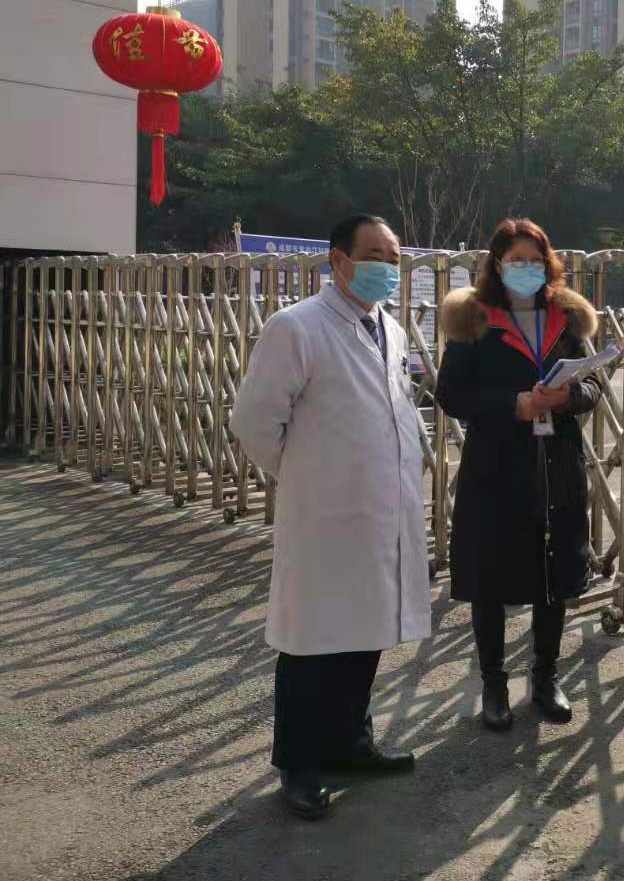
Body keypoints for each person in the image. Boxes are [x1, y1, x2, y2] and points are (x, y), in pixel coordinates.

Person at [231, 214, 431, 820]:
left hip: (382, 510)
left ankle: (350, 743)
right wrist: (307, 477)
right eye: (373, 256)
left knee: (365, 631)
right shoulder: (296, 327)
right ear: (338, 261)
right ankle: (300, 763)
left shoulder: (390, 327)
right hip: (323, 515)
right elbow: (254, 422)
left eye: (393, 258)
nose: (385, 268)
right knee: (312, 642)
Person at [436, 218, 601, 732]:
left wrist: (568, 396)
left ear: (549, 265)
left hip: (556, 466)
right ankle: (493, 682)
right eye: (516, 260)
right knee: (491, 576)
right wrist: (513, 404)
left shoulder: (566, 318)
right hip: (496, 467)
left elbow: (594, 387)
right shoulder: (474, 319)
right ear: (497, 264)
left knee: (552, 574)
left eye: (535, 260)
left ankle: (546, 677)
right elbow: (451, 395)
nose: (527, 268)